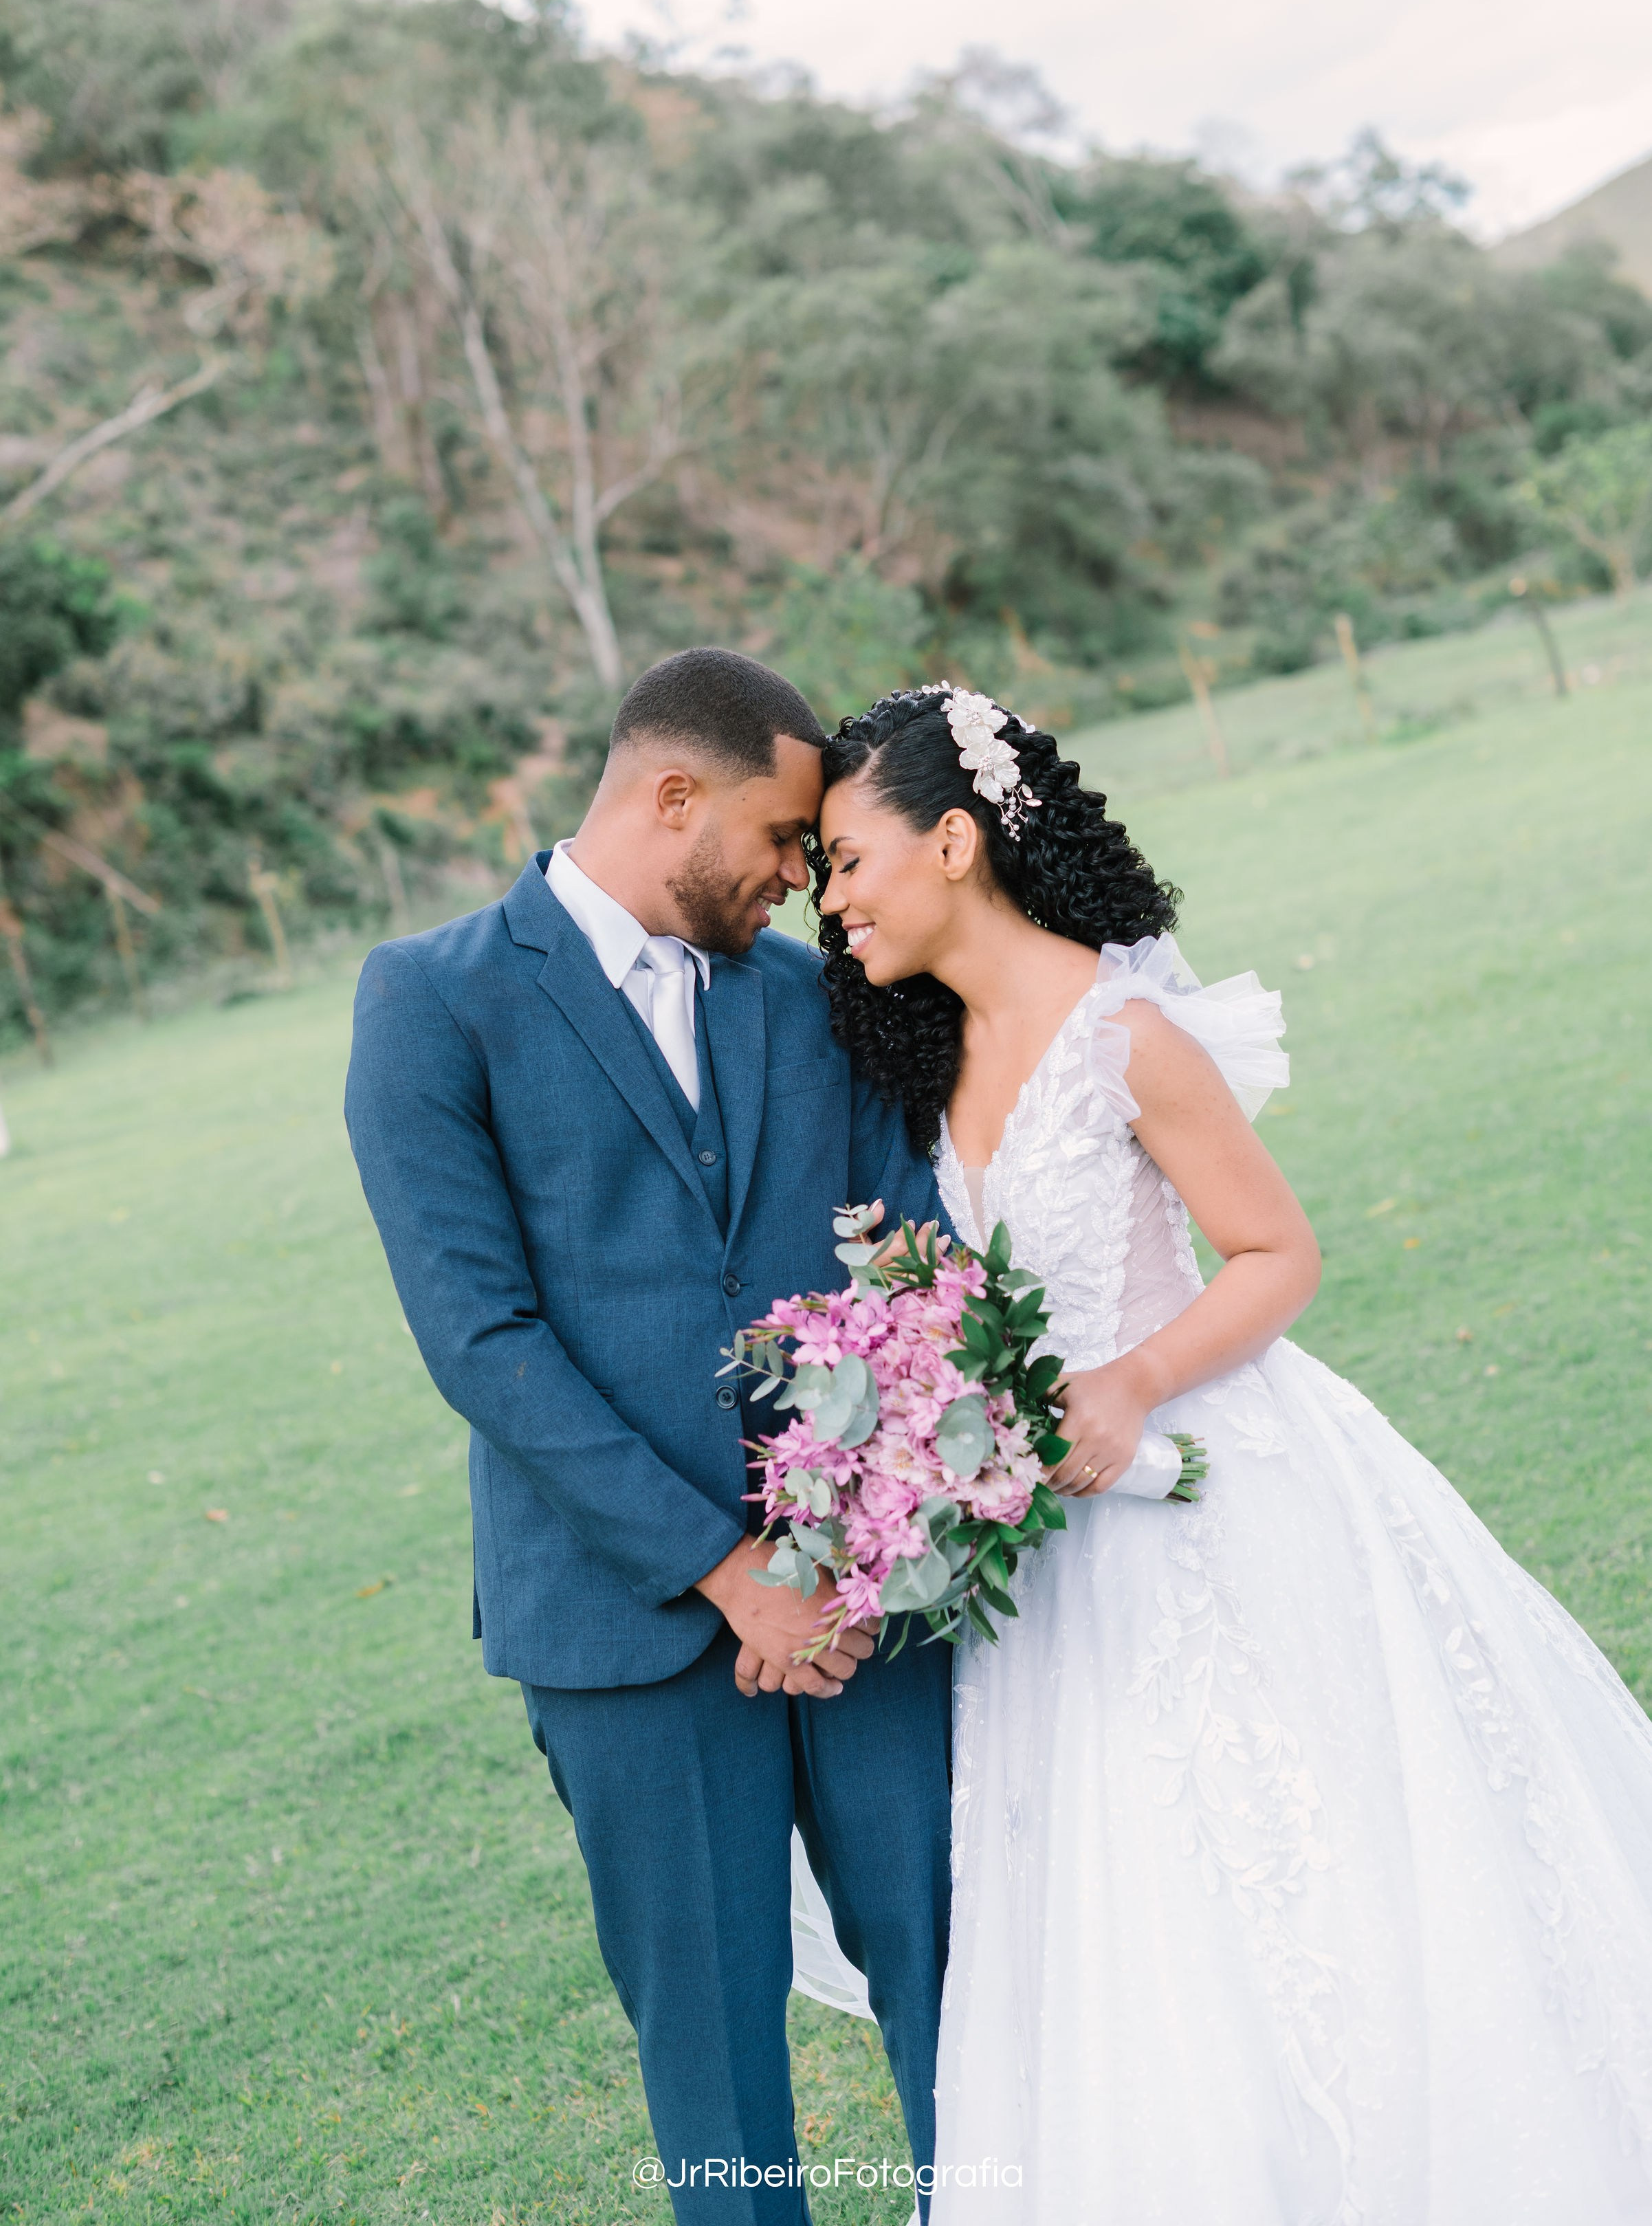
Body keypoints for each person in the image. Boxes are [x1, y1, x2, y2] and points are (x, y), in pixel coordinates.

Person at [809, 683, 1652, 2225]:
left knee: (1298, 1841)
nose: (829, 898)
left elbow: (1273, 1253)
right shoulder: (924, 1056)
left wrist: (1128, 1382)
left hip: (1206, 1481)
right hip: (1049, 1552)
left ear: (950, 838)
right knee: (1113, 1892)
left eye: (846, 860)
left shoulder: (1119, 1035)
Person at [344, 650, 951, 2226]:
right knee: (715, 2066)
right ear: (672, 796)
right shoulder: (433, 999)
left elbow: (909, 1254)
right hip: (623, 1627)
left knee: (962, 1988)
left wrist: (824, 1552)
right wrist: (726, 1573)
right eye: (778, 837)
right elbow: (480, 1342)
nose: (797, 878)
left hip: (863, 1603)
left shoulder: (809, 996)